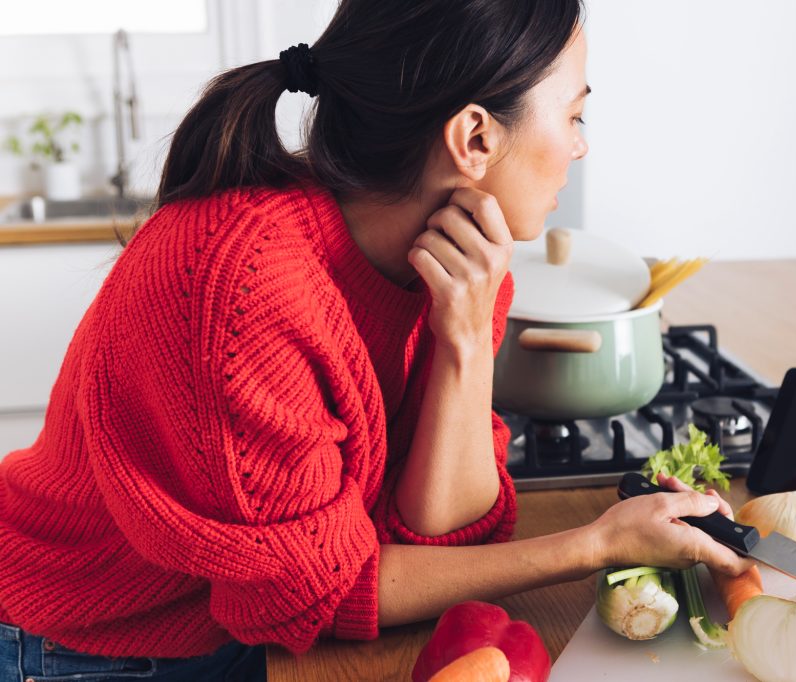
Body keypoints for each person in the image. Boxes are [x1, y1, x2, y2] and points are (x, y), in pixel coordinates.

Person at [0, 1, 751, 680]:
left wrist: (462, 339)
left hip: (228, 633)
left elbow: (444, 544)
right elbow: (315, 598)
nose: (580, 147)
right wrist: (596, 545)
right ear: (476, 137)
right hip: (79, 644)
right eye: (575, 115)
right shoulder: (243, 290)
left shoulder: (464, 267)